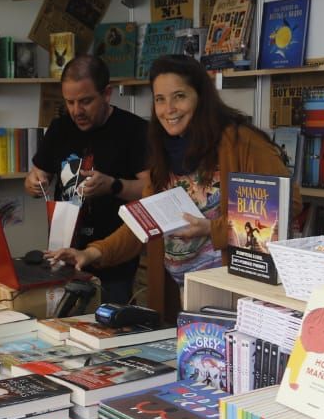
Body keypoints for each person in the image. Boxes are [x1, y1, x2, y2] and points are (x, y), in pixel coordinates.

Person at [46, 54, 299, 293]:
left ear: (200, 96)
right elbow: (144, 222)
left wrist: (213, 229)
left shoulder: (242, 143)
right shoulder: (162, 148)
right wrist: (90, 254)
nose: (169, 109)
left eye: (179, 96)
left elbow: (288, 205)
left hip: (236, 291)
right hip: (182, 292)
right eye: (160, 99)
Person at [24, 55, 150, 305]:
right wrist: (34, 182)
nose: (76, 111)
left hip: (115, 258)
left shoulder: (134, 130)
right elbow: (34, 176)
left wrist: (114, 186)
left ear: (107, 94)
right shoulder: (60, 128)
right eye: (69, 102)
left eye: (85, 101)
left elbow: (152, 191)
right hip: (63, 253)